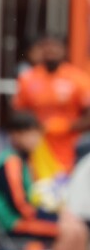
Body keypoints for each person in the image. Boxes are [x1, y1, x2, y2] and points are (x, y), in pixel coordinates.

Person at [0, 112, 88, 250]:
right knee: (70, 232)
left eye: (37, 134)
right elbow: (21, 207)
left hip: (24, 218)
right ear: (15, 135)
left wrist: (59, 215)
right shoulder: (11, 162)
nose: (36, 140)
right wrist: (55, 218)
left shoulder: (23, 160)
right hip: (13, 222)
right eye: (31, 134)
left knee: (78, 227)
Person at [14, 34, 90, 175]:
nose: (50, 51)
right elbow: (19, 114)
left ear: (64, 49)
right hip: (37, 147)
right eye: (46, 47)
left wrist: (66, 126)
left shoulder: (77, 79)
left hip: (71, 146)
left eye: (55, 47)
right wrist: (33, 130)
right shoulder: (28, 78)